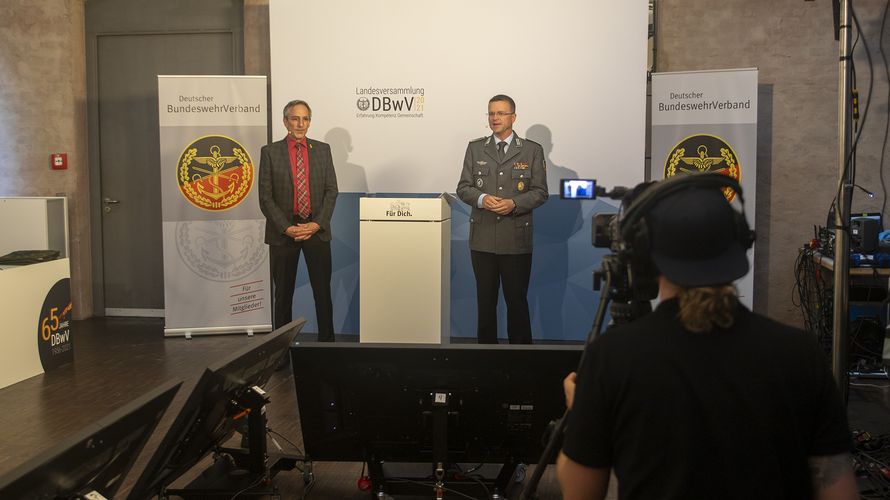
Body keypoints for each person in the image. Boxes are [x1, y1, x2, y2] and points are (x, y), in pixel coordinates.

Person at [556, 184, 857, 500]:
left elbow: (580, 492)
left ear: (644, 255)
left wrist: (583, 417)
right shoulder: (801, 353)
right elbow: (839, 491)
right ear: (739, 244)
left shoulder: (613, 357)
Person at [456, 94, 548, 344]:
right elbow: (463, 188)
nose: (494, 118)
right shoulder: (475, 148)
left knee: (516, 303)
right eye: (491, 113)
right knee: (485, 304)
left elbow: (540, 192)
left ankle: (520, 364)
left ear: (513, 117)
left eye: (500, 113)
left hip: (516, 240)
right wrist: (483, 198)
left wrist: (514, 204)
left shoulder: (531, 150)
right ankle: (485, 363)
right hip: (482, 239)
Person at [259, 100, 338, 341]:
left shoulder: (323, 150)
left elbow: (331, 190)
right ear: (285, 121)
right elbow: (265, 196)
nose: (300, 124)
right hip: (284, 233)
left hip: (316, 230)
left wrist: (316, 224)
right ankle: (280, 352)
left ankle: (327, 346)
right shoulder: (270, 152)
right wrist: (287, 228)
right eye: (295, 118)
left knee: (322, 292)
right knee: (283, 295)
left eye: (305, 119)